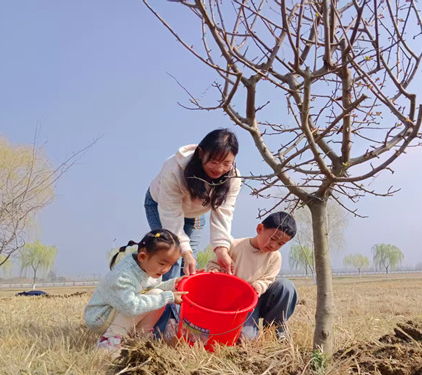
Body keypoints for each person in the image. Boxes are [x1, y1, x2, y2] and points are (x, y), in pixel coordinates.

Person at [145, 128, 241, 333]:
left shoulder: (232, 178)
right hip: (160, 204)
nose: (220, 168)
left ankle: (182, 321)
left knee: (189, 268)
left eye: (227, 163)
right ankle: (158, 326)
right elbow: (171, 216)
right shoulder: (175, 169)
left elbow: (223, 213)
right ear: (200, 153)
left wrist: (221, 249)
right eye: (214, 161)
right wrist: (184, 251)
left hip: (196, 213)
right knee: (170, 260)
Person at [84, 229, 187, 351]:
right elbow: (131, 307)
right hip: (101, 317)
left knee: (158, 295)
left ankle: (139, 338)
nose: (166, 270)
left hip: (122, 308)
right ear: (143, 257)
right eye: (162, 264)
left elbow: (151, 290)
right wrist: (168, 297)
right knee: (160, 297)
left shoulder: (147, 268)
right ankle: (109, 341)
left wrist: (173, 284)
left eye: (170, 265)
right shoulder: (123, 276)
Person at [207, 211, 298, 340]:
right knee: (246, 338)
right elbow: (213, 264)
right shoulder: (235, 246)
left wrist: (258, 286)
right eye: (272, 238)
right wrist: (216, 271)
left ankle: (275, 329)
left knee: (286, 286)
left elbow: (267, 279)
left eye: (280, 244)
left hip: (257, 297)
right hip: (236, 302)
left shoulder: (275, 257)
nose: (273, 245)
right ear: (259, 229)